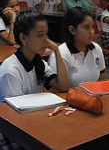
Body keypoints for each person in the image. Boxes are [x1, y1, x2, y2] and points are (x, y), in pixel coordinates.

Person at [50, 7, 109, 150]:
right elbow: (55, 93)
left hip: (95, 104)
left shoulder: (96, 49)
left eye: (93, 27)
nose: (92, 32)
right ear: (72, 30)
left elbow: (102, 80)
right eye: (86, 27)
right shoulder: (62, 54)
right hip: (74, 110)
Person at [0, 14, 71, 148]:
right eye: (40, 35)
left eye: (46, 35)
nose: (46, 40)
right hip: (13, 133)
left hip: (32, 123)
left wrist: (56, 51)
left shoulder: (37, 61)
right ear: (23, 38)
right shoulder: (11, 70)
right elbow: (14, 118)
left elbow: (63, 86)